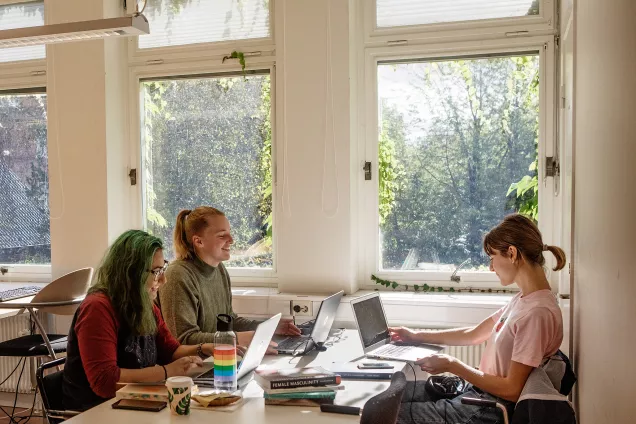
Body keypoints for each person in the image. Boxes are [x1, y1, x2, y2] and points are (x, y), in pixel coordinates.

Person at [390, 214, 566, 424]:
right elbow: (474, 334)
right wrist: (415, 336)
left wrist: (453, 365)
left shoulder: (538, 313)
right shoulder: (524, 299)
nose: (491, 267)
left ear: (511, 253)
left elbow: (512, 390)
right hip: (478, 394)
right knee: (393, 394)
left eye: (492, 258)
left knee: (386, 413)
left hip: (489, 409)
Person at [62, 230, 221, 411]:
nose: (163, 279)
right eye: (156, 271)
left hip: (129, 403)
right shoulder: (97, 308)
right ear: (130, 272)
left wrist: (204, 348)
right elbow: (105, 382)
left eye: (163, 269)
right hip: (94, 411)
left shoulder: (145, 303)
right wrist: (167, 372)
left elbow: (171, 351)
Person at [159, 206, 300, 351]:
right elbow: (182, 340)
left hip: (214, 360)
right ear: (198, 241)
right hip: (189, 368)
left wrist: (267, 327)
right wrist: (238, 339)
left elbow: (229, 321)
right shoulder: (177, 275)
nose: (231, 240)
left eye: (230, 233)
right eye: (222, 236)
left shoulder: (219, 269)